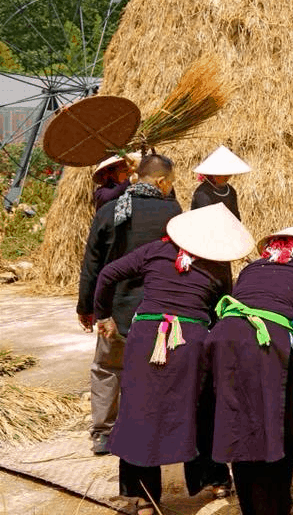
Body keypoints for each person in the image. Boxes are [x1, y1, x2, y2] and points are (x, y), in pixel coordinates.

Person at [93, 203, 253, 515]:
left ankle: (141, 498)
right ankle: (214, 480)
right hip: (190, 344)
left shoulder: (155, 250)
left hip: (145, 337)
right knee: (200, 407)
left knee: (139, 410)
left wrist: (104, 316)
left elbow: (108, 273)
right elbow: (221, 311)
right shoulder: (218, 267)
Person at [206, 221, 293, 515]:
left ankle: (251, 507)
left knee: (238, 421)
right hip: (264, 343)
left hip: (224, 339)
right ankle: (275, 506)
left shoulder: (251, 269)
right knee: (275, 422)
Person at [78, 154, 182, 455]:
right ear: (162, 182)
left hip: (114, 308)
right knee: (157, 367)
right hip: (158, 307)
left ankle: (103, 433)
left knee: (108, 369)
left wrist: (87, 307)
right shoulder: (171, 211)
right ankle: (157, 429)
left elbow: (92, 264)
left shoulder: (109, 211)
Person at [191, 145, 251, 220]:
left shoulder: (231, 191)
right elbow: (205, 219)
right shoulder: (202, 193)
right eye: (223, 175)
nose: (227, 177)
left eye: (229, 174)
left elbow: (235, 217)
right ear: (213, 174)